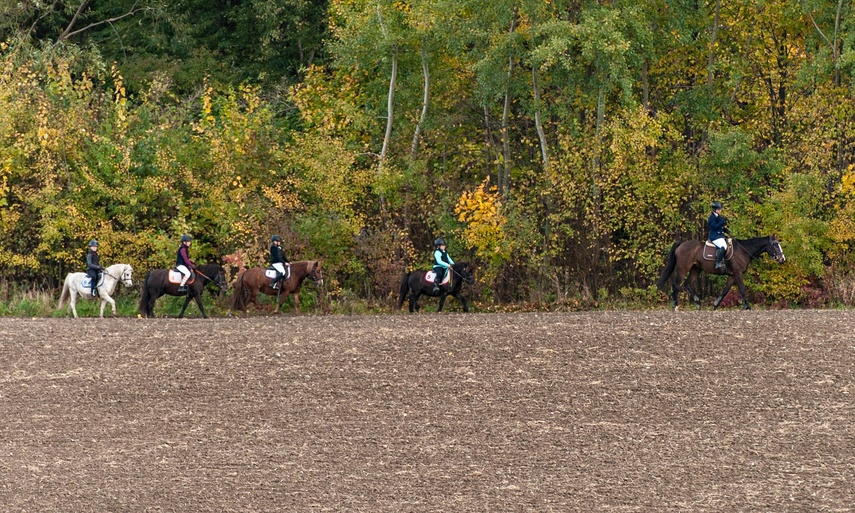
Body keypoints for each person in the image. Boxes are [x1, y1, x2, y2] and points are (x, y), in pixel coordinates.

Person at [708, 201, 731, 271]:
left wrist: (724, 230)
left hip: (719, 235)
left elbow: (719, 227)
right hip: (714, 236)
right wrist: (722, 222)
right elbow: (714, 227)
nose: (720, 210)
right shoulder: (711, 218)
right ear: (715, 210)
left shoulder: (718, 216)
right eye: (719, 209)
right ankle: (718, 263)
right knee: (723, 246)